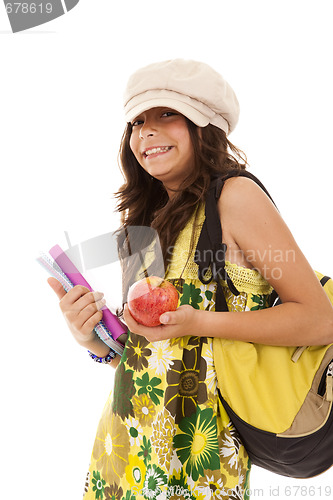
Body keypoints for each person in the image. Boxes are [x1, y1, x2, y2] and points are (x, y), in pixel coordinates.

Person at [48, 59, 333, 500]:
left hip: (199, 455)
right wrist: (90, 338)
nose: (147, 132)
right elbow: (147, 354)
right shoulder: (142, 221)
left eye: (167, 114)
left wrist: (199, 322)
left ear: (206, 126)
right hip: (124, 447)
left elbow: (318, 320)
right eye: (138, 121)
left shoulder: (235, 198)